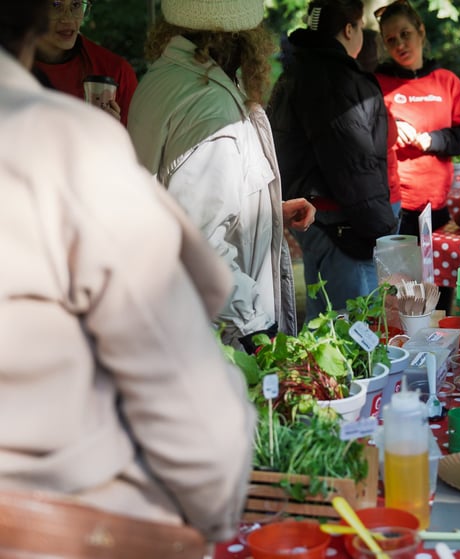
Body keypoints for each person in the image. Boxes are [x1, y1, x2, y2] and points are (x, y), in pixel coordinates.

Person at [0, 0, 253, 546]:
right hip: (52, 530)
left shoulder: (127, 79)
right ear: (29, 21)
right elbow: (194, 413)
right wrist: (212, 518)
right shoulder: (59, 143)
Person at [128, 0, 316, 350]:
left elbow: (188, 199)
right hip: (216, 333)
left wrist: (268, 212)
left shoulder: (163, 77)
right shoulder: (210, 106)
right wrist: (258, 329)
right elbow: (199, 244)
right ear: (240, 36)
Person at [269, 0, 397, 322]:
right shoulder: (335, 77)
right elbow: (353, 164)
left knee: (322, 323)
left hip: (312, 218)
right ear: (349, 29)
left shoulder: (297, 69)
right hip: (341, 223)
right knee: (352, 331)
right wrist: (378, 231)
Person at [374, 0, 460, 237]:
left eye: (405, 34)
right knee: (400, 276)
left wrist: (433, 140)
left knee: (436, 274)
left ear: (421, 30)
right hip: (394, 205)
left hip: (437, 205)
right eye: (391, 40)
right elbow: (361, 135)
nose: (400, 44)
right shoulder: (376, 83)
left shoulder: (447, 81)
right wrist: (392, 128)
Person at [33, 0, 137, 125]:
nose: (68, 18)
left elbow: (137, 142)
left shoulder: (115, 71)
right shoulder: (7, 67)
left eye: (76, 5)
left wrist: (113, 134)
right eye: (55, 5)